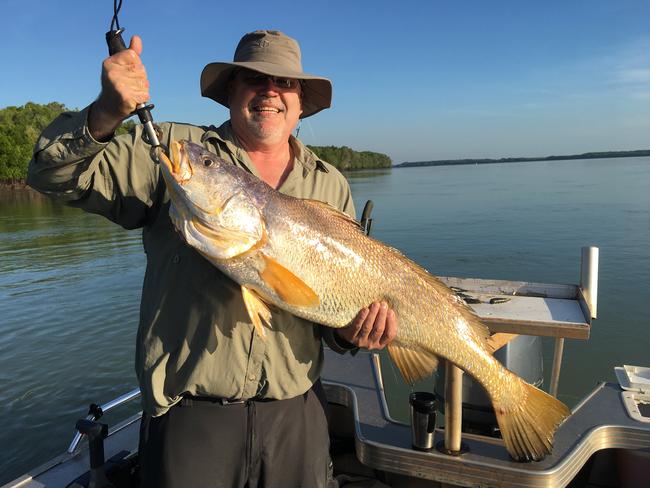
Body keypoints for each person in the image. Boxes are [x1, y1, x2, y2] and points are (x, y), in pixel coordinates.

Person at [28, 30, 397, 487]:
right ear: (229, 94)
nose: (270, 92)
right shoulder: (172, 151)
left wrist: (353, 332)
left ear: (302, 104)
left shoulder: (330, 185)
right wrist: (106, 111)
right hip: (191, 420)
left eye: (286, 84)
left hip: (296, 415)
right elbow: (52, 173)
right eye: (252, 80)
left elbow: (328, 312)